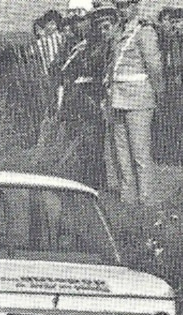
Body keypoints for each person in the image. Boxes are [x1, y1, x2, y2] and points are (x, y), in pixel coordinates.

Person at [104, 0, 165, 247]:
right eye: (119, 5)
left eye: (126, 5)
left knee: (140, 154)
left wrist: (159, 92)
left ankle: (146, 201)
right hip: (118, 97)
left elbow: (154, 65)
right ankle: (127, 199)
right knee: (122, 154)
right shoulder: (119, 30)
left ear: (136, 6)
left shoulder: (144, 30)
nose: (122, 10)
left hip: (139, 97)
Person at [56, 6, 113, 189]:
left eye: (82, 21)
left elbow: (101, 68)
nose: (79, 25)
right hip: (77, 96)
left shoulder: (102, 43)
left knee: (94, 140)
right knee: (80, 140)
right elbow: (62, 68)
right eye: (75, 21)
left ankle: (96, 182)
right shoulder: (76, 44)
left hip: (93, 95)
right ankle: (83, 180)